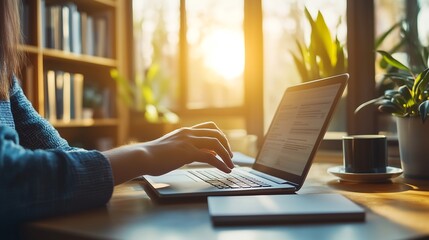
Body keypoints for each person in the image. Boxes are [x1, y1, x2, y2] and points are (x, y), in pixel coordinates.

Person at [0, 1, 233, 238]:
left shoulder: (4, 77)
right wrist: (144, 154)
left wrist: (152, 149)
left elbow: (61, 152)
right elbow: (8, 178)